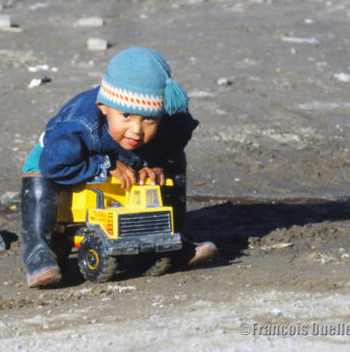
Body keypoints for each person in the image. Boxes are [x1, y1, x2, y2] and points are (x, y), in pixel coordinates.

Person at [20, 47, 218, 288]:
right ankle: (39, 254)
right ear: (103, 106)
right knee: (40, 173)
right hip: (61, 159)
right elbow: (53, 165)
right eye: (126, 116)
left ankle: (174, 240)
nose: (136, 129)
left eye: (149, 119)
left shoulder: (172, 122)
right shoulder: (79, 126)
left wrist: (157, 164)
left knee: (174, 165)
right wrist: (104, 165)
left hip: (125, 158)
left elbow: (176, 141)